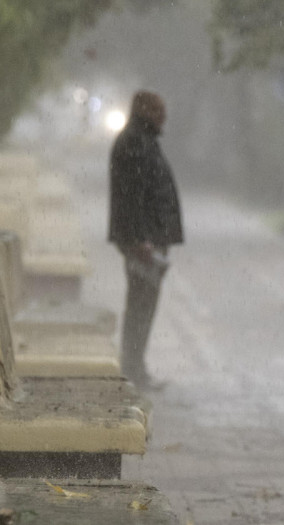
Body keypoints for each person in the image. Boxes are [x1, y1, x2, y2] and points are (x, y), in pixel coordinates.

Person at [108, 90, 183, 390]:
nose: (164, 116)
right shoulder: (136, 143)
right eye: (159, 109)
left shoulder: (141, 140)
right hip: (144, 241)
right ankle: (133, 368)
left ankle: (135, 366)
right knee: (141, 303)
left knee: (142, 303)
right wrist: (140, 240)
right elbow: (132, 197)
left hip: (147, 237)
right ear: (145, 110)